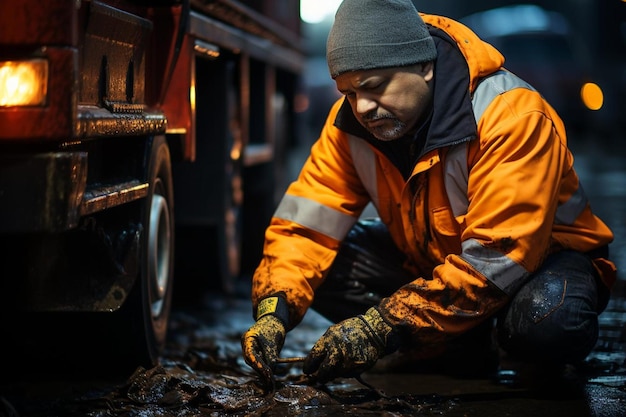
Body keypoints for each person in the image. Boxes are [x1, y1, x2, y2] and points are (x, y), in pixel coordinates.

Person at [241, 0, 616, 390]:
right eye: (349, 92)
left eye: (374, 86)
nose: (362, 107)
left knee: (544, 322)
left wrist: (382, 326)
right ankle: (458, 348)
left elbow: (497, 262)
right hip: (439, 261)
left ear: (424, 65)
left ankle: (519, 348)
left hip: (541, 265)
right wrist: (274, 312)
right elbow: (304, 229)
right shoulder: (349, 127)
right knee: (326, 262)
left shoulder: (511, 116)